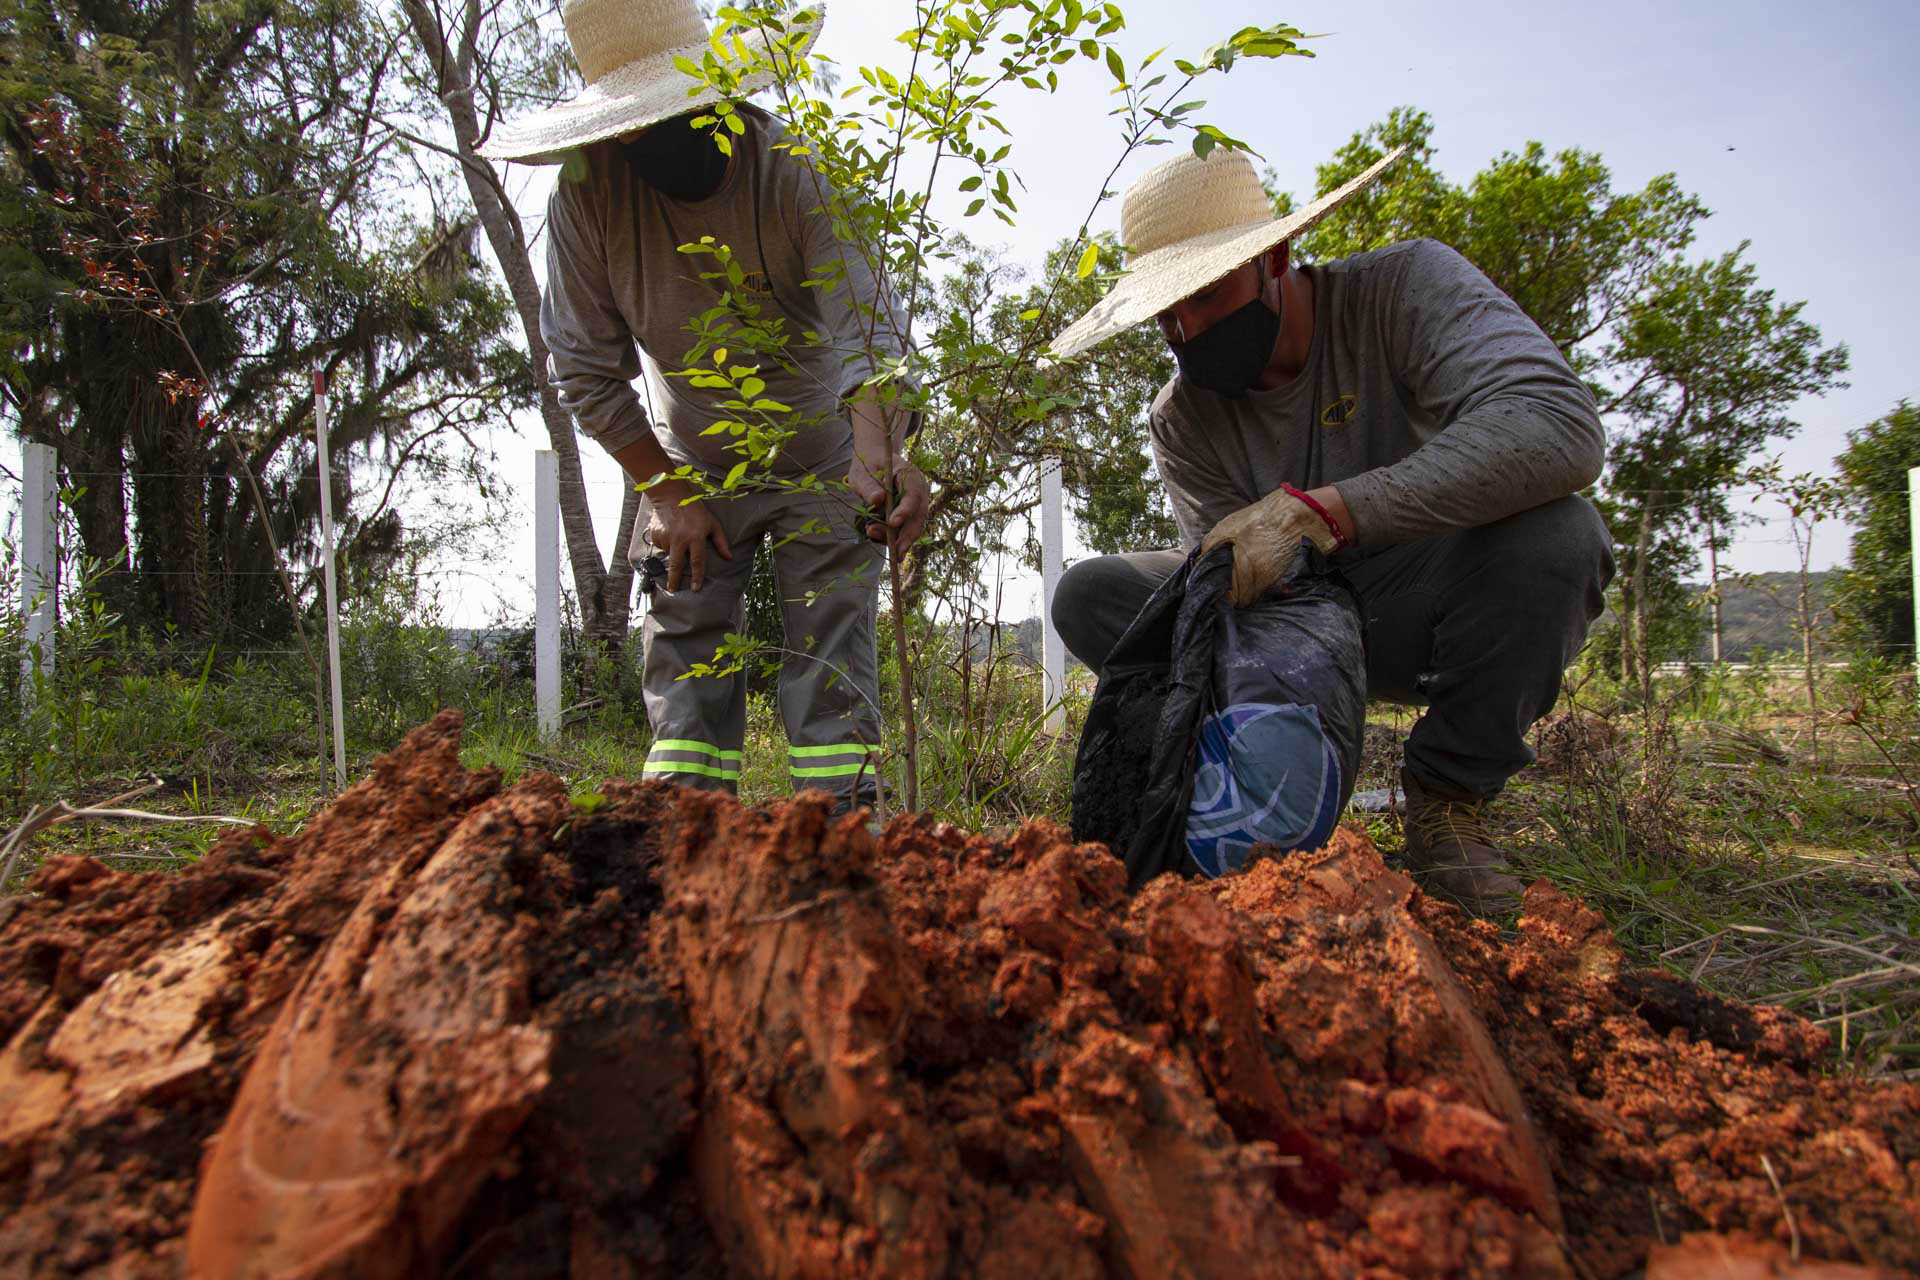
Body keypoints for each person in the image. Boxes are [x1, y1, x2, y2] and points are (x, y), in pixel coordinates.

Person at [1046, 146, 1614, 915]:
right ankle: (1254, 796)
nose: (1187, 328)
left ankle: (1447, 799)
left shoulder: (1403, 289)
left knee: (1560, 538)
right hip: (1292, 630)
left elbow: (1557, 427)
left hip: (1428, 603)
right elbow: (1231, 605)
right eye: (1166, 312)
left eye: (1207, 295)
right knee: (1094, 594)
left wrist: (1325, 512)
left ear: (1276, 256)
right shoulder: (1182, 417)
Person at [484, 0, 927, 810]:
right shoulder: (588, 203)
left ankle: (838, 843)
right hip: (692, 459)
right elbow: (584, 370)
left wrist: (879, 458)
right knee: (684, 651)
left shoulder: (795, 170)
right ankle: (678, 834)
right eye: (638, 124)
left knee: (831, 652)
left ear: (722, 90)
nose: (659, 136)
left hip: (831, 454)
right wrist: (666, 491)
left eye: (683, 110)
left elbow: (870, 333)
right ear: (614, 131)